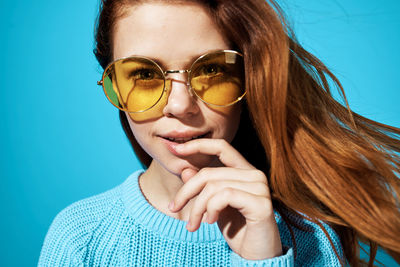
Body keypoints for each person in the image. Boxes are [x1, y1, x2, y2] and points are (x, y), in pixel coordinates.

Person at [38, 0, 400, 266]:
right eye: (145, 75)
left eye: (211, 69)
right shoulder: (81, 238)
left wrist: (263, 258)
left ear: (248, 80)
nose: (180, 106)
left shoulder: (312, 241)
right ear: (113, 83)